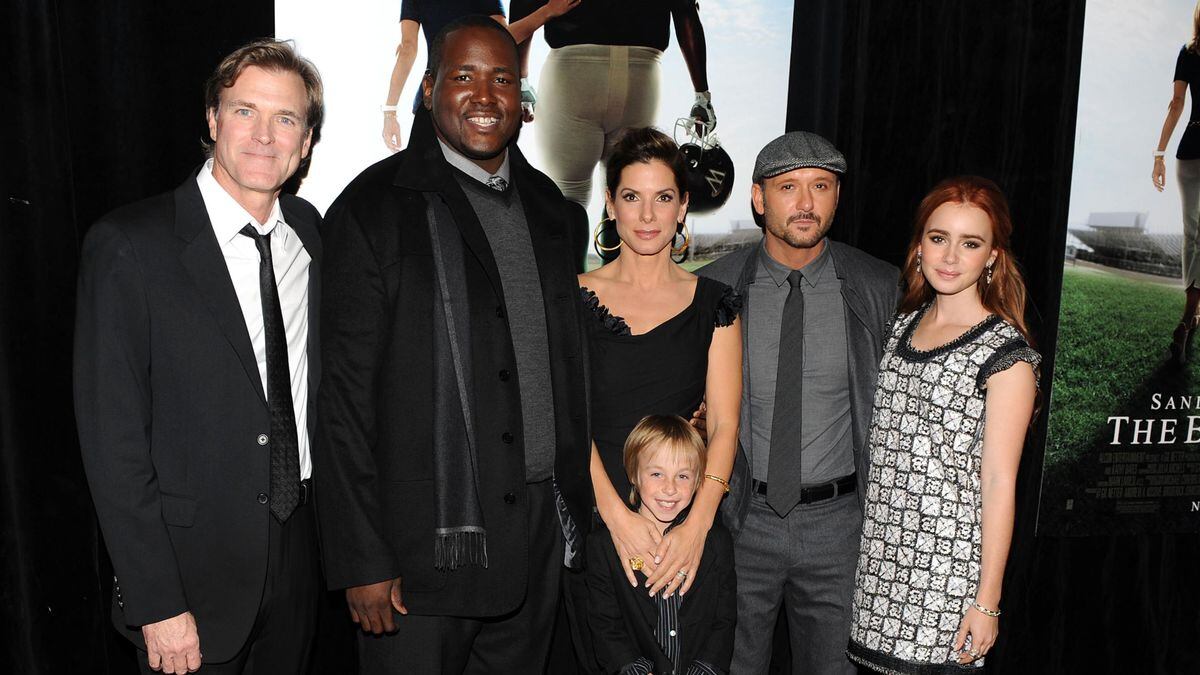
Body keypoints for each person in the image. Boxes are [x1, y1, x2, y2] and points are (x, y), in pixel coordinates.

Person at [316, 16, 590, 674]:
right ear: (428, 88)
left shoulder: (555, 213)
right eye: (463, 76)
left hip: (534, 538)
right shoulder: (372, 208)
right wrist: (362, 558)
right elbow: (342, 401)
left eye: (503, 79)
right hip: (418, 555)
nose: (485, 95)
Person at [74, 40, 324, 674]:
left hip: (297, 566)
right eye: (245, 111)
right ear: (213, 120)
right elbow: (112, 443)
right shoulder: (129, 245)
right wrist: (155, 601)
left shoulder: (309, 233)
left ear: (305, 142)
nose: (264, 135)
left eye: (285, 118)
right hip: (186, 583)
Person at [695, 131, 900, 674]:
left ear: (837, 197)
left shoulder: (881, 287)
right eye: (788, 187)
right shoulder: (712, 288)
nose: (806, 202)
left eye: (822, 186)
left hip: (841, 528)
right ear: (759, 198)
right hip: (739, 518)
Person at [846, 176, 1039, 672]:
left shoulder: (1005, 355)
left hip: (947, 580)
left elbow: (999, 483)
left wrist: (987, 601)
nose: (950, 257)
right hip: (879, 568)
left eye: (970, 243)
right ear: (919, 246)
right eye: (938, 238)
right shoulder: (900, 328)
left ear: (992, 256)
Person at [575, 126, 741, 672]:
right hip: (595, 531)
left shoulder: (715, 304)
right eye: (632, 196)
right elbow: (568, 420)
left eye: (663, 197)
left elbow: (724, 426)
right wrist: (616, 518)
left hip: (682, 529)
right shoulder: (572, 298)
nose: (647, 215)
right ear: (610, 204)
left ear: (683, 206)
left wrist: (697, 528)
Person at [510, 0, 715, 208]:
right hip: (641, 78)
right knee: (627, 198)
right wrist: (702, 96)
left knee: (567, 197)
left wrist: (521, 80)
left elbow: (524, 7)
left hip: (573, 73)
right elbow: (686, 12)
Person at [586, 415, 736, 675]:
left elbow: (724, 621)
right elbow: (605, 624)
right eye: (657, 474)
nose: (670, 488)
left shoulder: (717, 542)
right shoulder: (604, 545)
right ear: (634, 474)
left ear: (698, 480)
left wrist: (704, 669)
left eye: (683, 476)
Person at [381, 0, 580, 152]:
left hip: (432, 99)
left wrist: (390, 112)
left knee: (427, 183)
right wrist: (547, 12)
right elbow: (503, 39)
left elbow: (407, 50)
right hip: (477, 97)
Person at [1152, 0, 1200, 364]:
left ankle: (1189, 318)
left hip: (1191, 147)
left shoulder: (1189, 51)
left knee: (1192, 235)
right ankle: (1187, 319)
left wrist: (1159, 154)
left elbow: (1176, 103)